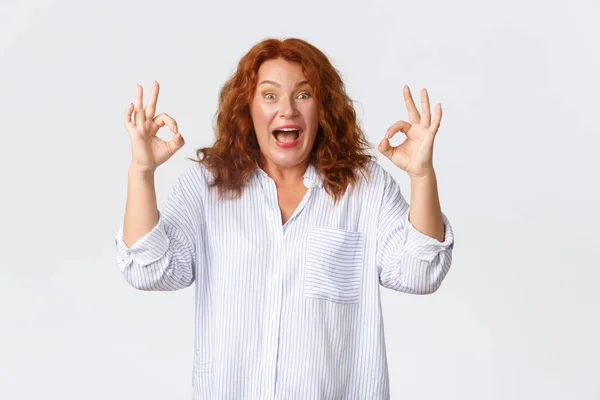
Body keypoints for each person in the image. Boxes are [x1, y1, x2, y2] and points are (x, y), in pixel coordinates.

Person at [115, 37, 454, 399]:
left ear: (323, 108)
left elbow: (421, 274)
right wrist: (141, 170)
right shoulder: (205, 187)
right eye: (270, 95)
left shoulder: (365, 189)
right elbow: (148, 269)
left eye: (303, 95)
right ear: (248, 107)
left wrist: (421, 177)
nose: (287, 110)